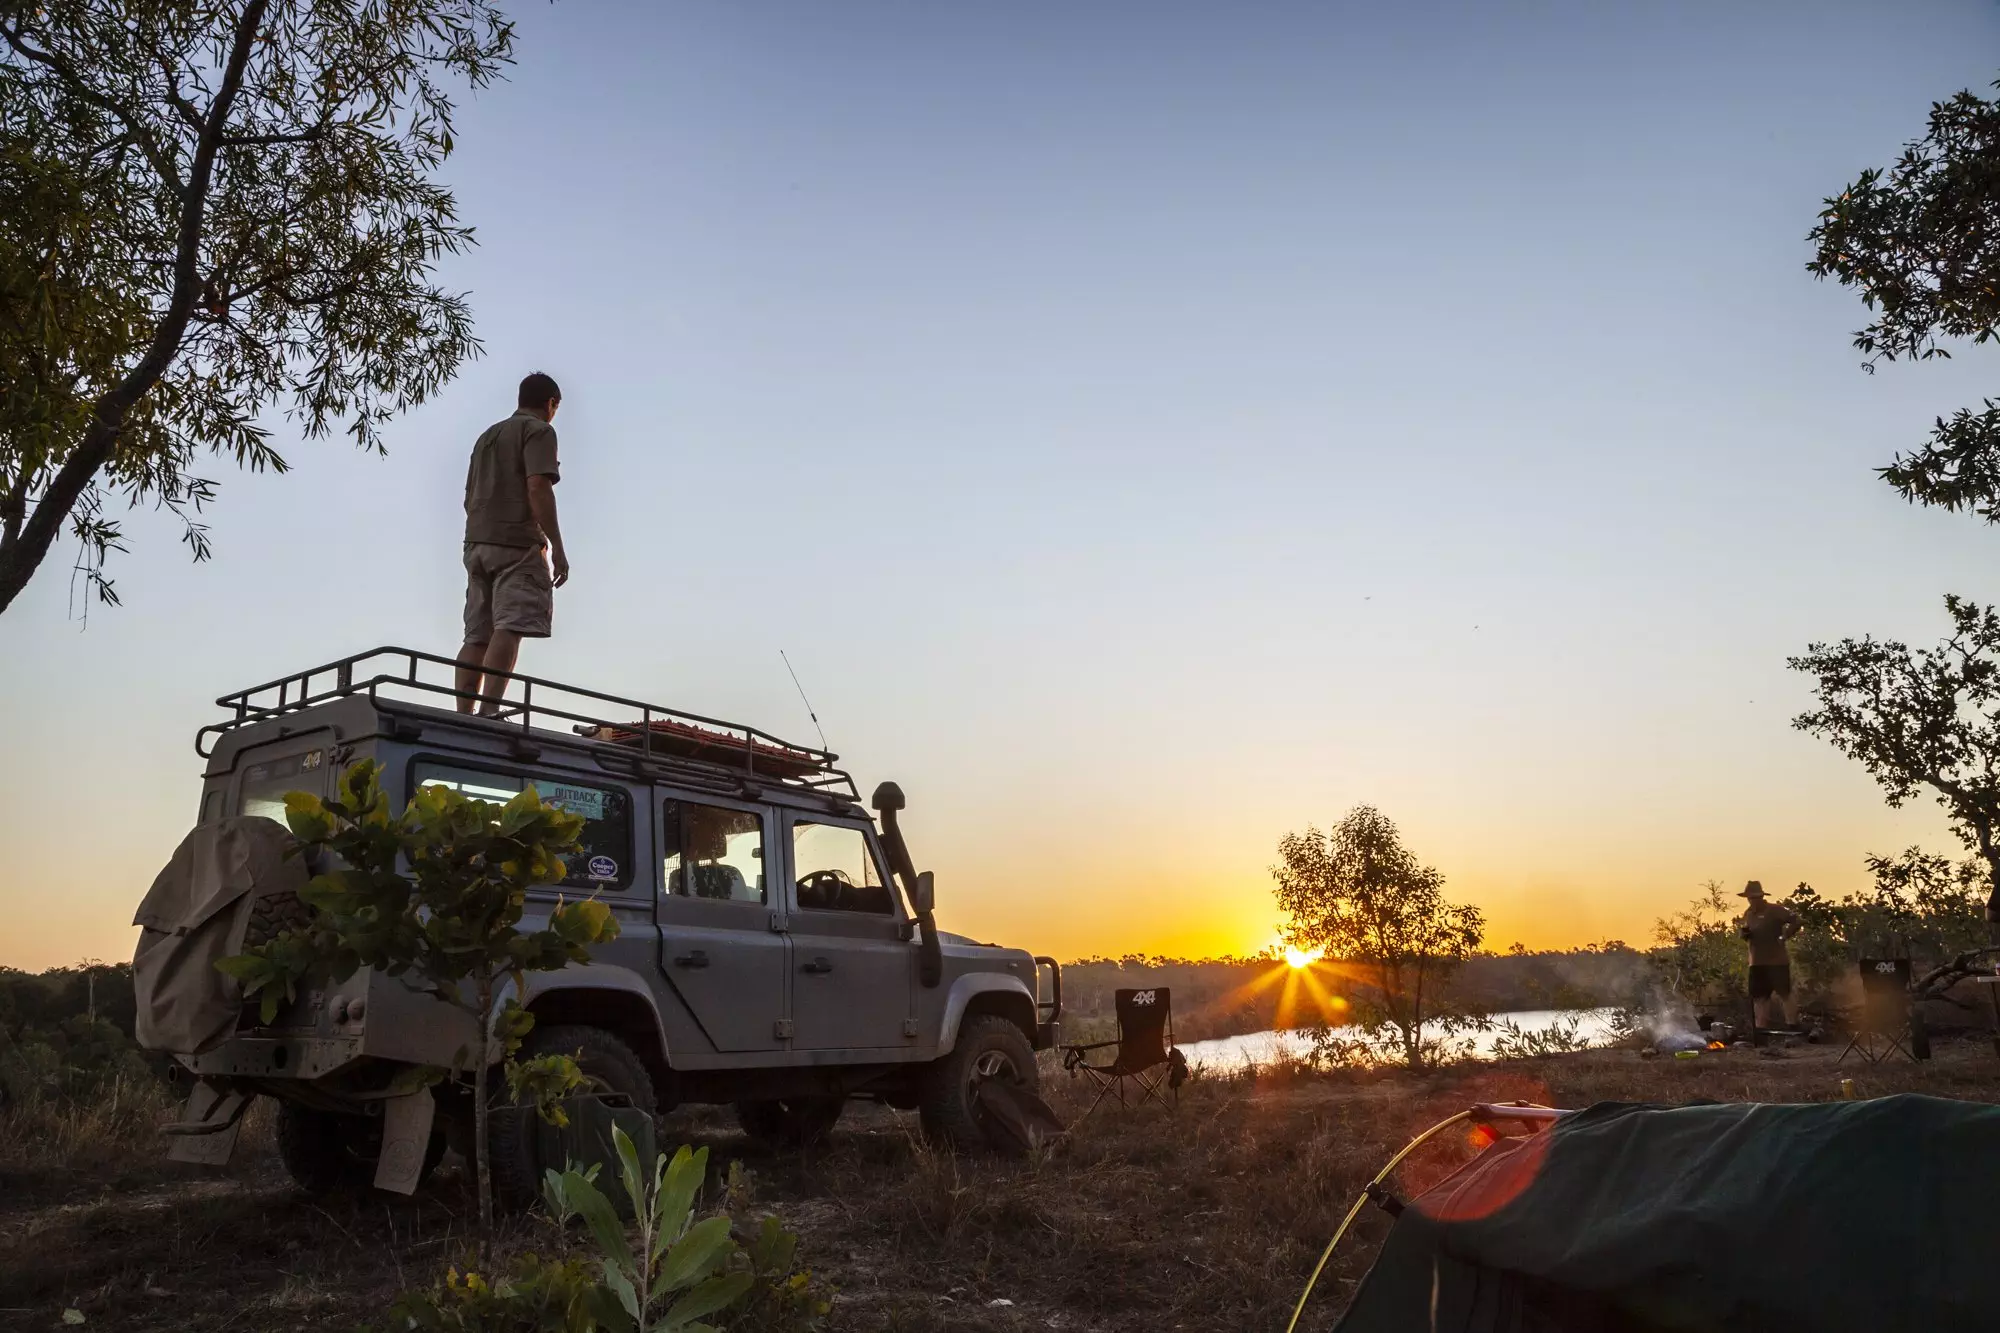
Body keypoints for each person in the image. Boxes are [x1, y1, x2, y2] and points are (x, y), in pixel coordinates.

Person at [456, 372, 569, 716]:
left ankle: (463, 714)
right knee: (509, 626)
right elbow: (538, 487)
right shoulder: (539, 431)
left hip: (476, 544)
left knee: (477, 634)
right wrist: (557, 548)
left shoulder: (486, 437)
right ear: (551, 403)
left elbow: (468, 494)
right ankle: (489, 711)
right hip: (516, 545)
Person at [1736, 880, 1801, 1031]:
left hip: (1777, 961)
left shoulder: (1775, 910)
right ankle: (1761, 1031)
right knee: (1759, 997)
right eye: (1749, 897)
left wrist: (1784, 936)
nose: (1751, 900)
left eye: (1754, 897)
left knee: (1785, 994)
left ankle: (1793, 1027)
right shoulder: (1748, 913)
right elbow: (1745, 931)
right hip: (1757, 962)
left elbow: (1796, 920)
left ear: (1761, 896)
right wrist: (1744, 934)